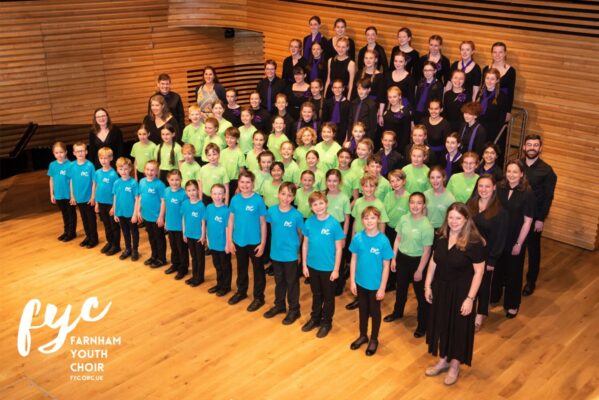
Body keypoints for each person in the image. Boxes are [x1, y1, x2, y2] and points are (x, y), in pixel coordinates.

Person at [424, 203, 486, 385]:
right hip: (441, 288)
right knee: (442, 323)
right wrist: (428, 285)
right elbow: (434, 262)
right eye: (450, 217)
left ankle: (455, 365)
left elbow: (479, 273)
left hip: (462, 292)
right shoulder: (441, 236)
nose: (454, 221)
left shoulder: (474, 243)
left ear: (466, 219)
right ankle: (443, 359)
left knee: (458, 328)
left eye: (458, 218)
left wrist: (470, 299)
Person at [387, 192, 434, 338]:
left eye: (419, 203)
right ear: (409, 204)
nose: (415, 205)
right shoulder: (404, 219)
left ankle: (422, 325)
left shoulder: (427, 226)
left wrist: (420, 270)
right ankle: (397, 312)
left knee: (421, 295)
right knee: (400, 289)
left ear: (423, 205)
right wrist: (393, 258)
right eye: (412, 202)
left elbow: (427, 251)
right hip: (402, 259)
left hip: (418, 262)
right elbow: (397, 239)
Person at [349, 206, 393, 356]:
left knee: (375, 312)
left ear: (378, 219)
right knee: (362, 310)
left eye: (373, 218)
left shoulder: (383, 241)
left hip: (375, 285)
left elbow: (386, 266)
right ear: (362, 220)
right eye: (366, 218)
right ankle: (363, 335)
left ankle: (374, 338)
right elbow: (353, 260)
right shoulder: (358, 238)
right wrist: (352, 281)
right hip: (360, 282)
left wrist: (382, 288)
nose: (369, 221)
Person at [493, 160, 534, 318]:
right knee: (497, 269)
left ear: (522, 174)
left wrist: (519, 243)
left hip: (515, 238)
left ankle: (512, 304)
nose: (511, 174)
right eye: (509, 171)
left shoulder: (527, 192)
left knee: (513, 273)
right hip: (499, 236)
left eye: (515, 172)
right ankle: (495, 296)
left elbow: (528, 221)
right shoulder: (499, 187)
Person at [467, 175, 508, 331]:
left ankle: (481, 313)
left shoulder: (500, 211)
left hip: (486, 254)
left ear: (494, 188)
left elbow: (500, 238)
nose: (483, 190)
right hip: (469, 251)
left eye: (487, 186)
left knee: (484, 285)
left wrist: (492, 260)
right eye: (481, 186)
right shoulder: (470, 204)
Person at [301, 191, 345, 338]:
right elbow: (305, 244)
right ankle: (315, 318)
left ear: (326, 204)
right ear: (311, 207)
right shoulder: (309, 222)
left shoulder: (334, 224)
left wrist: (336, 269)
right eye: (315, 204)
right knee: (316, 294)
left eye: (321, 203)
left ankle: (327, 322)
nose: (318, 206)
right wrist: (304, 265)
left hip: (329, 268)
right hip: (313, 266)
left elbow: (339, 248)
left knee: (328, 297)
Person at [263, 182, 305, 325]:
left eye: (289, 195)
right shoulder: (272, 211)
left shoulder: (297, 215)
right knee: (279, 281)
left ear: (293, 198)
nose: (286, 198)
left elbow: (300, 235)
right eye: (283, 194)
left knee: (292, 283)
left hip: (291, 255)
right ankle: (280, 305)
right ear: (278, 194)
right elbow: (268, 228)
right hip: (276, 254)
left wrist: (298, 252)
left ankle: (294, 309)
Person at [227, 170, 268, 312]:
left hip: (255, 242)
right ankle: (241, 291)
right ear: (238, 183)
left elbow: (263, 223)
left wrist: (263, 243)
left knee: (258, 270)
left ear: (253, 184)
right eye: (242, 182)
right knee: (241, 268)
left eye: (248, 182)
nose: (245, 185)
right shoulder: (235, 199)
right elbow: (231, 220)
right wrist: (230, 241)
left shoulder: (258, 200)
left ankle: (259, 297)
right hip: (239, 241)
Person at [521, 135, 557, 296]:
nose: (532, 148)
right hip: (515, 216)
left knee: (533, 250)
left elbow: (548, 197)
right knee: (514, 247)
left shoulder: (547, 171)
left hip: (534, 217)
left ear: (540, 149)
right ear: (523, 147)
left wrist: (541, 219)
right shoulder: (516, 165)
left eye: (535, 145)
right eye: (529, 144)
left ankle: (530, 281)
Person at [135, 160, 167, 268]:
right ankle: (154, 256)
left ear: (157, 171)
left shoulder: (160, 185)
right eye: (148, 169)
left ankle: (162, 259)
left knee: (159, 238)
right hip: (146, 216)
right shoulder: (142, 181)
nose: (150, 172)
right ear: (144, 170)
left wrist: (161, 217)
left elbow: (163, 201)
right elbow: (140, 196)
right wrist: (138, 210)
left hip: (156, 217)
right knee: (151, 237)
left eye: (152, 170)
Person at [69, 142, 98, 248]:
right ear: (74, 153)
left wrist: (93, 196)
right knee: (84, 218)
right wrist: (72, 196)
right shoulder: (72, 166)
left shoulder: (90, 165)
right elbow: (71, 181)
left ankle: (94, 239)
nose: (80, 153)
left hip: (89, 198)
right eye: (77, 151)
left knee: (91, 219)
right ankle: (88, 236)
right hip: (78, 198)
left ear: (86, 152)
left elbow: (94, 182)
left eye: (82, 151)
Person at [205, 183, 232, 296]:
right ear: (211, 195)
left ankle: (226, 286)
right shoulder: (209, 207)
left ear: (225, 195)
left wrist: (228, 244)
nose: (217, 196)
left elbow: (228, 228)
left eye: (220, 193)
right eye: (215, 193)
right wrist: (207, 239)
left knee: (225, 265)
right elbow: (207, 224)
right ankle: (219, 284)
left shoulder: (227, 211)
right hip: (213, 243)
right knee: (217, 265)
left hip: (223, 244)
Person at [94, 147, 120, 256]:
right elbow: (97, 188)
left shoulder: (113, 174)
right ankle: (110, 242)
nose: (104, 160)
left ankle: (116, 245)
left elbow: (116, 193)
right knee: (106, 225)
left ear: (111, 158)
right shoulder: (97, 173)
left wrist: (114, 207)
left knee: (113, 225)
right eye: (101, 158)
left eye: (106, 158)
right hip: (101, 203)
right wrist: (96, 203)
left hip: (110, 204)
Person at [163, 169, 189, 280]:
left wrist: (185, 228)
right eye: (172, 180)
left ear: (181, 180)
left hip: (180, 227)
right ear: (168, 180)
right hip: (170, 224)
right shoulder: (166, 191)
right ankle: (175, 264)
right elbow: (165, 206)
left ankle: (183, 268)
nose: (175, 182)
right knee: (173, 247)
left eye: (177, 180)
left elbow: (185, 213)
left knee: (181, 248)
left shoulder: (184, 194)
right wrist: (164, 221)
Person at [112, 157, 140, 261]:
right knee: (125, 231)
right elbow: (115, 197)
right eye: (121, 169)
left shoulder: (133, 183)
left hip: (131, 214)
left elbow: (137, 199)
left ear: (130, 169)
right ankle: (128, 249)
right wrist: (115, 212)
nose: (123, 171)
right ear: (117, 170)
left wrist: (135, 214)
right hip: (120, 212)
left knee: (134, 232)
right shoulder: (116, 183)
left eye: (126, 169)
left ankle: (135, 250)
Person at [477, 68, 509, 159]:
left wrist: (496, 136)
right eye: (487, 78)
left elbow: (501, 118)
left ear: (497, 80)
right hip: (480, 128)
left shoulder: (502, 96)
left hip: (492, 130)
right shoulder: (480, 93)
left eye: (492, 79)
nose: (489, 81)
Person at [48, 142, 77, 242]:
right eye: (56, 153)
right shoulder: (52, 165)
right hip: (59, 195)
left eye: (61, 152)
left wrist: (73, 196)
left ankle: (72, 233)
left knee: (71, 214)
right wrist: (52, 194)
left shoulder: (71, 165)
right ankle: (66, 231)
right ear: (53, 153)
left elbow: (73, 181)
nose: (59, 155)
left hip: (68, 195)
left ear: (66, 152)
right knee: (64, 214)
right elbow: (51, 179)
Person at [181, 180, 207, 287]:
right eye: (189, 190)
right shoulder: (185, 203)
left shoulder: (201, 206)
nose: (191, 193)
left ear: (198, 190)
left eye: (194, 190)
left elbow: (203, 222)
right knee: (193, 257)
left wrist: (203, 235)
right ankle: (194, 275)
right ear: (186, 192)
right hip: (189, 235)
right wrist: (184, 233)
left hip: (198, 236)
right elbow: (183, 218)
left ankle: (200, 277)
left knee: (200, 258)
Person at [482, 42, 516, 120]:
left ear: (505, 53)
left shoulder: (511, 71)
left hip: (502, 106)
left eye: (500, 52)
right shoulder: (486, 69)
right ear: (491, 53)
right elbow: (482, 88)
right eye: (495, 52)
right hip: (487, 104)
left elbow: (511, 92)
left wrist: (508, 111)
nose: (497, 55)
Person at [424, 166, 456, 231]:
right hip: (426, 229)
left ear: (444, 178)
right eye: (432, 178)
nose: (435, 181)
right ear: (429, 179)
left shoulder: (451, 198)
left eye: (438, 177)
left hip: (442, 230)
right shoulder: (425, 195)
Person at [382, 87, 412, 153]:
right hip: (387, 145)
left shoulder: (405, 112)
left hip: (399, 148)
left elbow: (406, 134)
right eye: (390, 97)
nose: (392, 99)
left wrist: (401, 149)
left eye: (394, 97)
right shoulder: (386, 112)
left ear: (400, 96)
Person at [348, 78, 378, 143]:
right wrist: (349, 138)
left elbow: (373, 125)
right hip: (353, 135)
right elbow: (350, 121)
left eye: (364, 89)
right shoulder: (353, 103)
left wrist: (369, 140)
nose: (361, 91)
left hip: (365, 136)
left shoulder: (372, 105)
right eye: (359, 88)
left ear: (369, 90)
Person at [322, 79, 350, 144]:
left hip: (341, 133)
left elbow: (348, 121)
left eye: (339, 87)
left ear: (343, 89)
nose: (337, 90)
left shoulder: (348, 104)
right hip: (329, 132)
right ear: (332, 89)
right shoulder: (327, 102)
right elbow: (324, 119)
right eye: (335, 87)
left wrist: (347, 137)